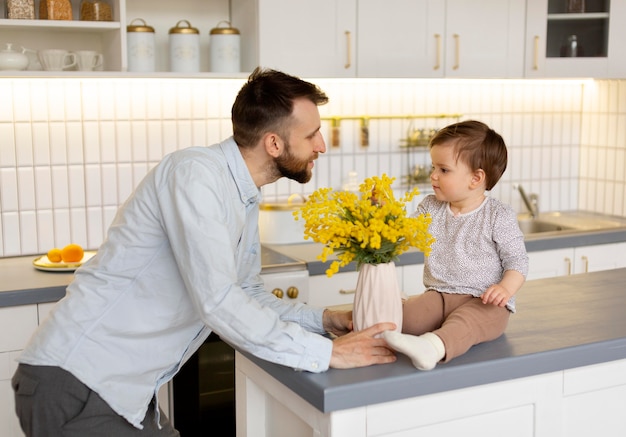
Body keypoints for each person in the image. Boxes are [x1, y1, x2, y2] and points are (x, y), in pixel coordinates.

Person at [12, 68, 396, 436]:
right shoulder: (195, 174)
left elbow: (247, 294)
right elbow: (219, 301)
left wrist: (325, 320)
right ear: (274, 143)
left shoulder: (242, 193)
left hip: (119, 391)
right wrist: (328, 354)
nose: (321, 146)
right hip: (77, 383)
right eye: (312, 134)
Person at [383, 120, 529, 371]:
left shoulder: (498, 215)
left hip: (484, 302)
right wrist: (382, 214)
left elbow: (518, 261)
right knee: (405, 319)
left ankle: (432, 347)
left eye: (444, 169)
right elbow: (403, 233)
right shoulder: (430, 207)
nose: (433, 175)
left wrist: (505, 289)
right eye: (433, 167)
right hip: (439, 295)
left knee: (466, 324)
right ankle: (387, 327)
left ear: (476, 178)